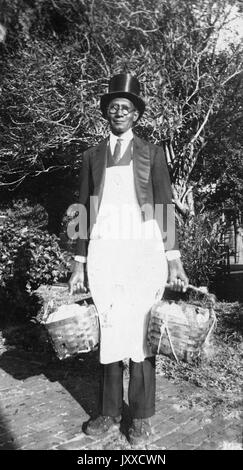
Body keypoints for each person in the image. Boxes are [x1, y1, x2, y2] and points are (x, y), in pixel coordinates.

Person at [69, 73, 188, 446]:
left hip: (143, 252)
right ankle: (108, 412)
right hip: (105, 253)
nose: (119, 112)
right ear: (107, 113)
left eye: (127, 107)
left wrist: (174, 260)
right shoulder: (91, 157)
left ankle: (140, 416)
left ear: (136, 115)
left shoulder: (152, 154)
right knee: (108, 327)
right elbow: (82, 210)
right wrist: (78, 263)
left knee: (141, 331)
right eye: (113, 106)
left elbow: (166, 207)